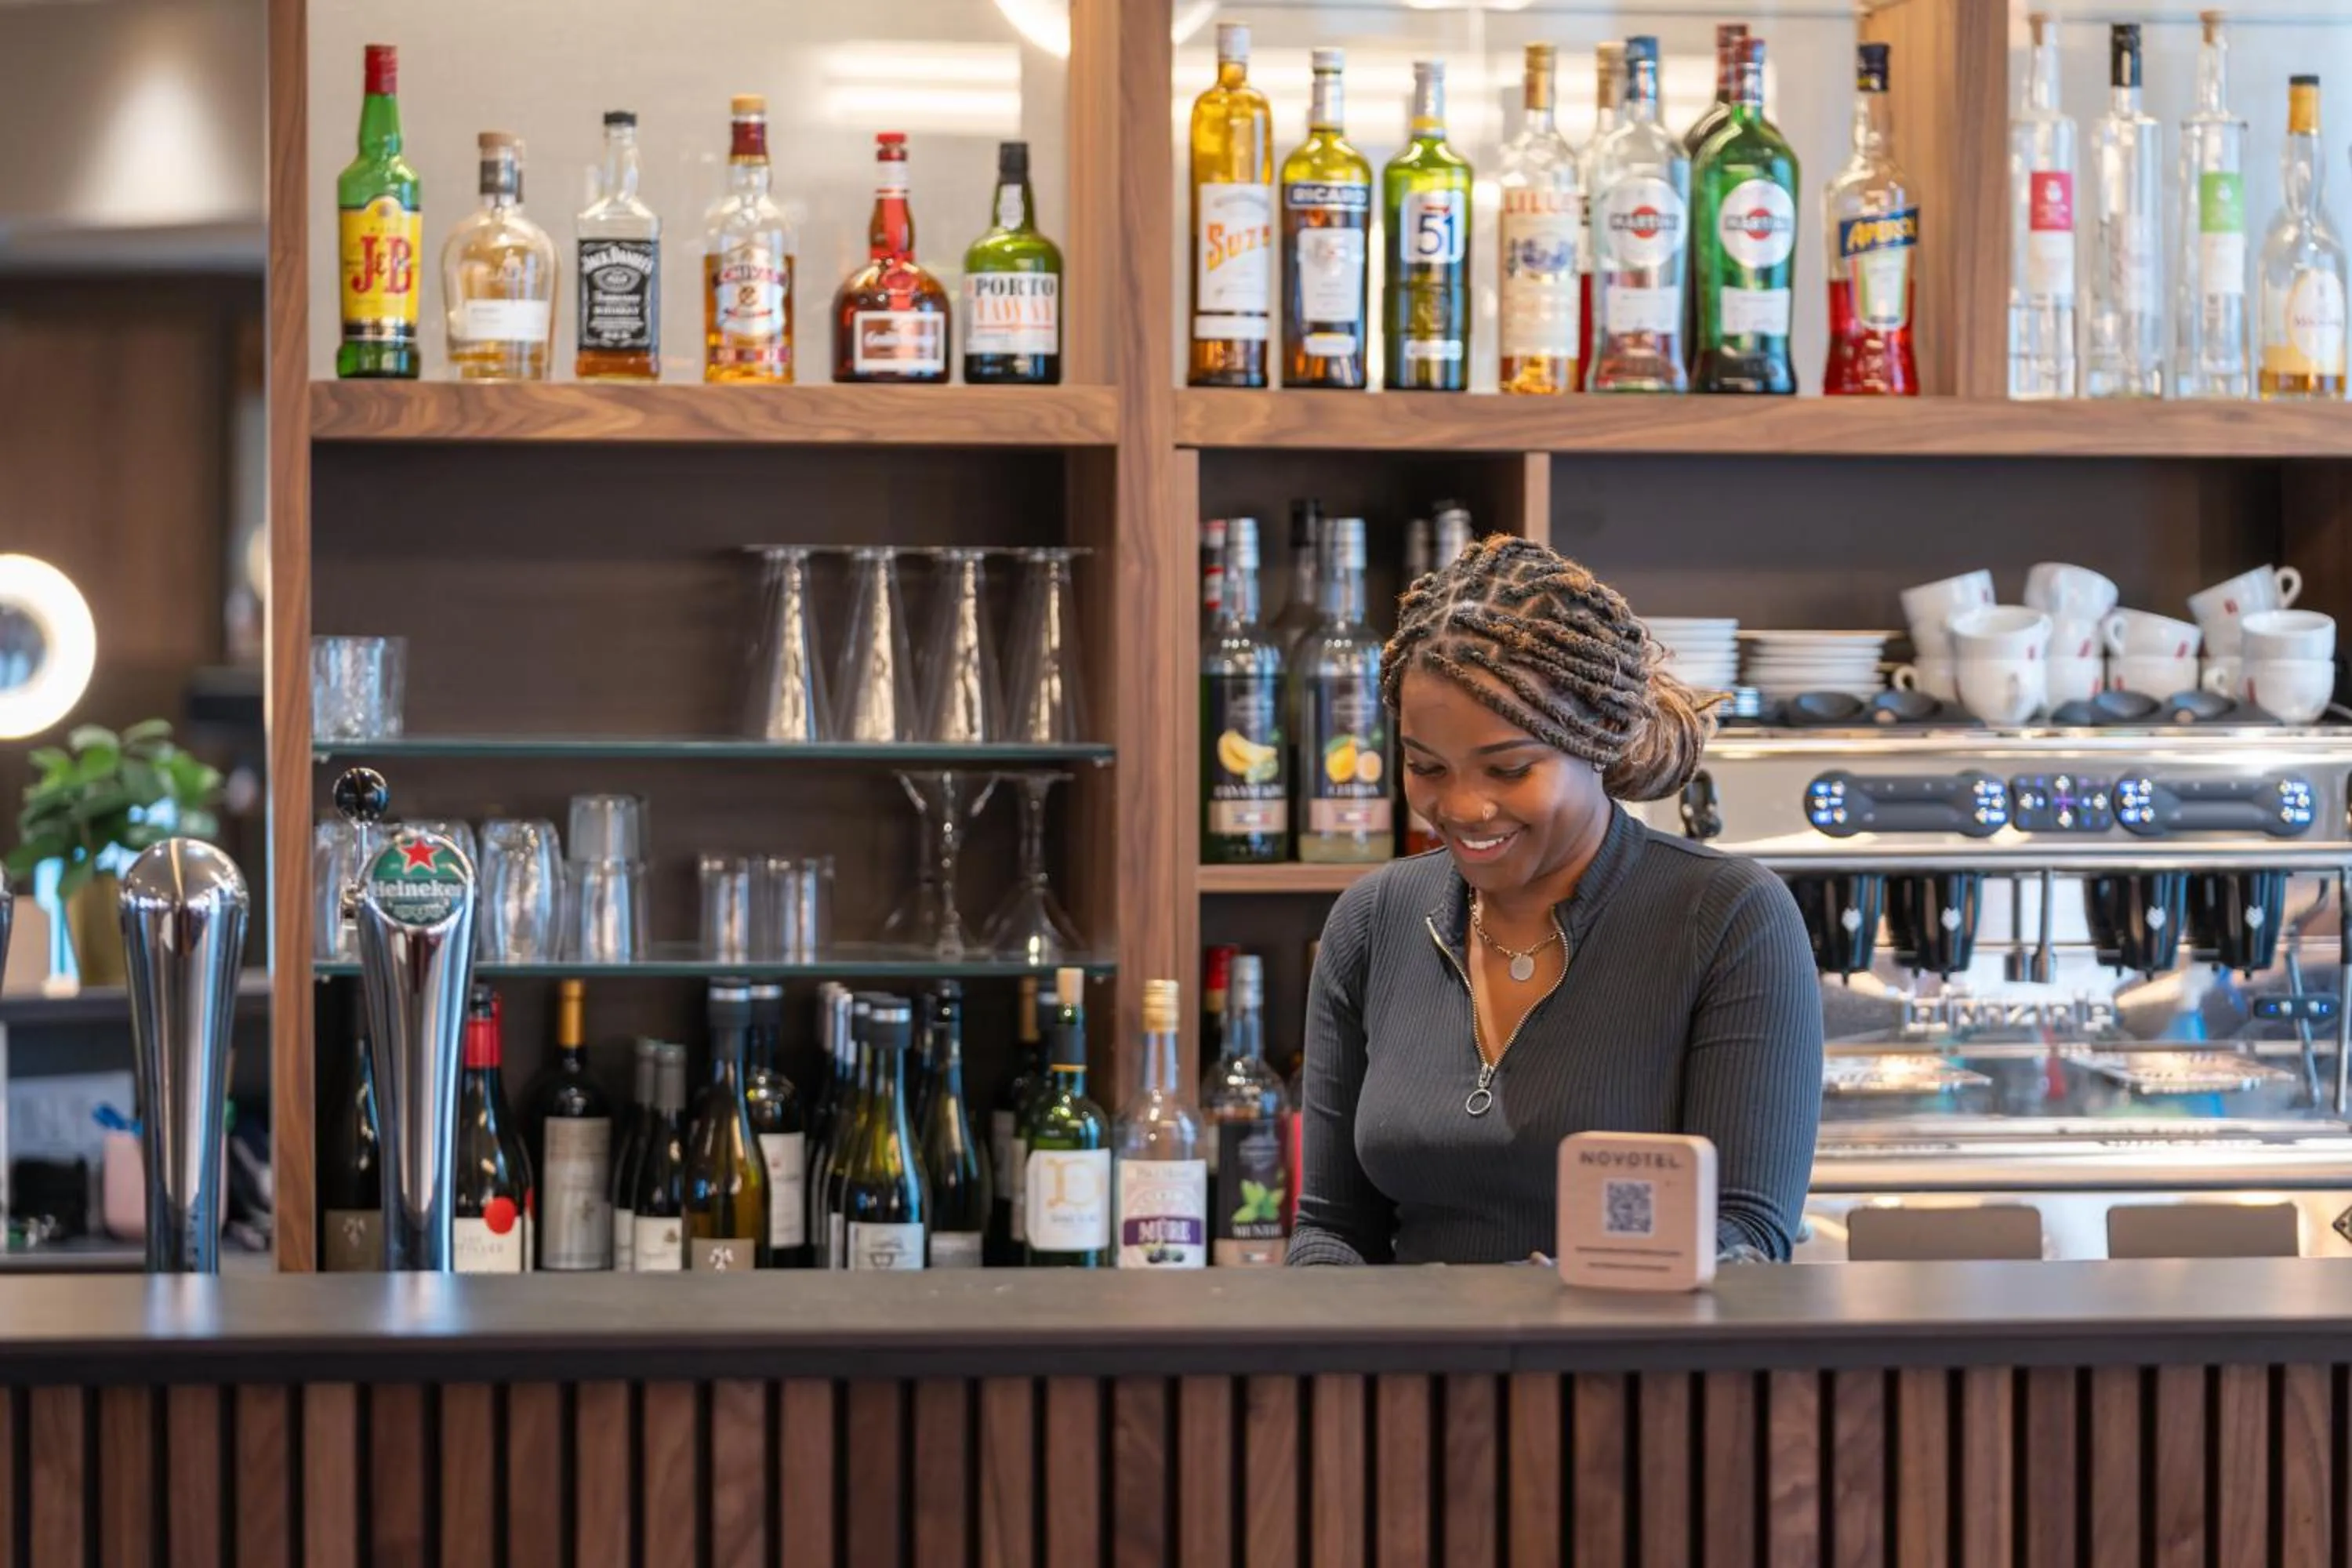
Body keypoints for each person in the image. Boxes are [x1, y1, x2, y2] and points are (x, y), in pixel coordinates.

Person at [1288, 537, 1821, 1265]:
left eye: (1509, 769)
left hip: (1631, 1371)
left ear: (1596, 738)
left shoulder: (1726, 918)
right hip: (1413, 1373)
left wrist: (1538, 1306)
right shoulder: (1373, 922)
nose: (1465, 807)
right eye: (1427, 767)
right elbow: (1331, 1229)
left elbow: (1747, 1233)